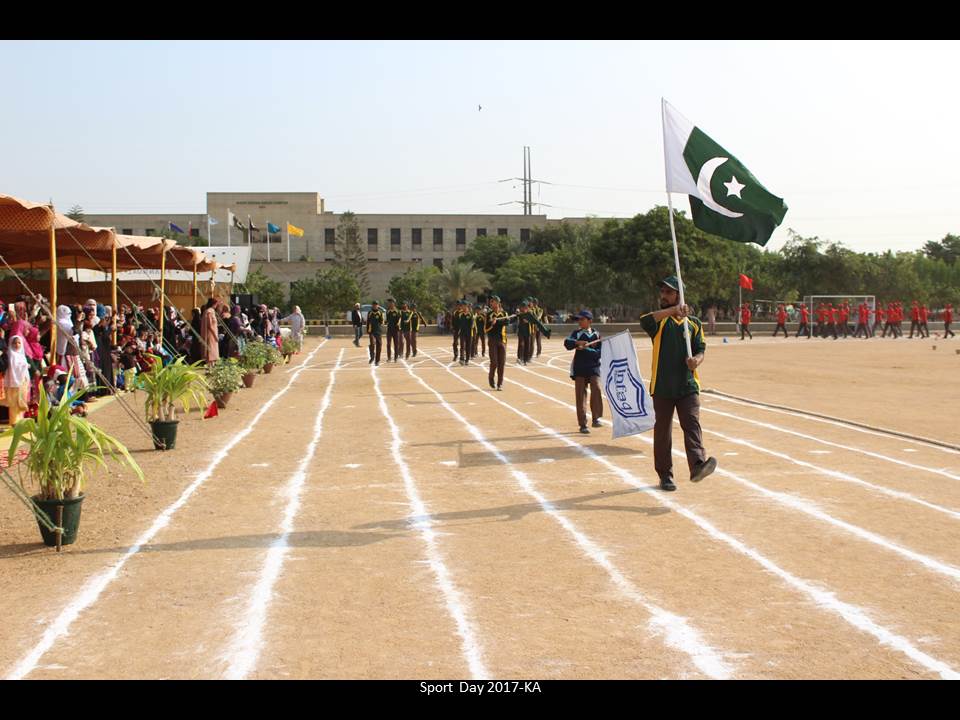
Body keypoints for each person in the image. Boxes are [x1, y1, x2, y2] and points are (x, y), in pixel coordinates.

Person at [640, 276, 717, 492]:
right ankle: (665, 475)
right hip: (663, 387)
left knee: (692, 424)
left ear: (678, 295)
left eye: (668, 292)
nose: (663, 295)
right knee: (662, 432)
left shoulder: (693, 324)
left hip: (688, 385)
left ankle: (698, 466)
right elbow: (645, 320)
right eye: (662, 292)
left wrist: (696, 361)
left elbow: (701, 349)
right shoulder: (659, 323)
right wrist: (673, 311)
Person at [564, 310, 603, 434]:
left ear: (589, 321)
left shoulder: (596, 335)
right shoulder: (576, 333)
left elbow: (599, 353)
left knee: (596, 388)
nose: (579, 322)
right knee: (580, 395)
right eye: (578, 320)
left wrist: (587, 349)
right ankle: (582, 424)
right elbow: (567, 343)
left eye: (582, 319)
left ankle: (596, 418)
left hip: (593, 367)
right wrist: (577, 343)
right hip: (580, 367)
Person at [484, 296, 510, 390]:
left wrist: (498, 321)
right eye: (491, 302)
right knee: (494, 362)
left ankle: (500, 383)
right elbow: (486, 329)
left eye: (494, 302)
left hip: (502, 340)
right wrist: (492, 324)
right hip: (492, 340)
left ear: (498, 303)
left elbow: (507, 323)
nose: (492, 304)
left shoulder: (504, 313)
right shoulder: (489, 314)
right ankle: (491, 378)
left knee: (501, 363)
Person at [5, 335, 31, 425]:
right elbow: (13, 368)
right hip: (14, 381)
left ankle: (21, 420)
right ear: (11, 344)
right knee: (14, 402)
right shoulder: (11, 354)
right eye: (15, 343)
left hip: (22, 381)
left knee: (21, 400)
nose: (17, 345)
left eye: (19, 343)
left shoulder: (21, 355)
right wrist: (25, 366)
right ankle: (14, 421)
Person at [200, 297, 220, 364]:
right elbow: (210, 325)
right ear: (214, 304)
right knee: (211, 353)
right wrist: (215, 335)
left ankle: (211, 368)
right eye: (217, 304)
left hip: (211, 334)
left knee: (211, 352)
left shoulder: (208, 311)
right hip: (210, 335)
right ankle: (210, 368)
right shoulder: (210, 312)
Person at [455, 300, 474, 366]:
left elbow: (472, 324)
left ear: (467, 306)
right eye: (462, 306)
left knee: (468, 346)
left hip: (469, 332)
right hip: (462, 332)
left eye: (464, 306)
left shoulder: (470, 314)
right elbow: (458, 323)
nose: (462, 307)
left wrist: (470, 329)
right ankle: (462, 359)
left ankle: (467, 360)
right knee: (462, 346)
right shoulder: (460, 314)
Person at [366, 300, 385, 366]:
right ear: (372, 305)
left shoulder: (380, 313)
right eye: (374, 305)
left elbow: (382, 322)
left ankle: (377, 360)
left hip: (378, 331)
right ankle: (372, 356)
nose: (375, 306)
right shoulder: (370, 313)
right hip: (371, 331)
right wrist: (367, 330)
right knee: (372, 343)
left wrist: (380, 324)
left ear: (378, 306)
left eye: (376, 305)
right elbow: (367, 322)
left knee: (379, 345)